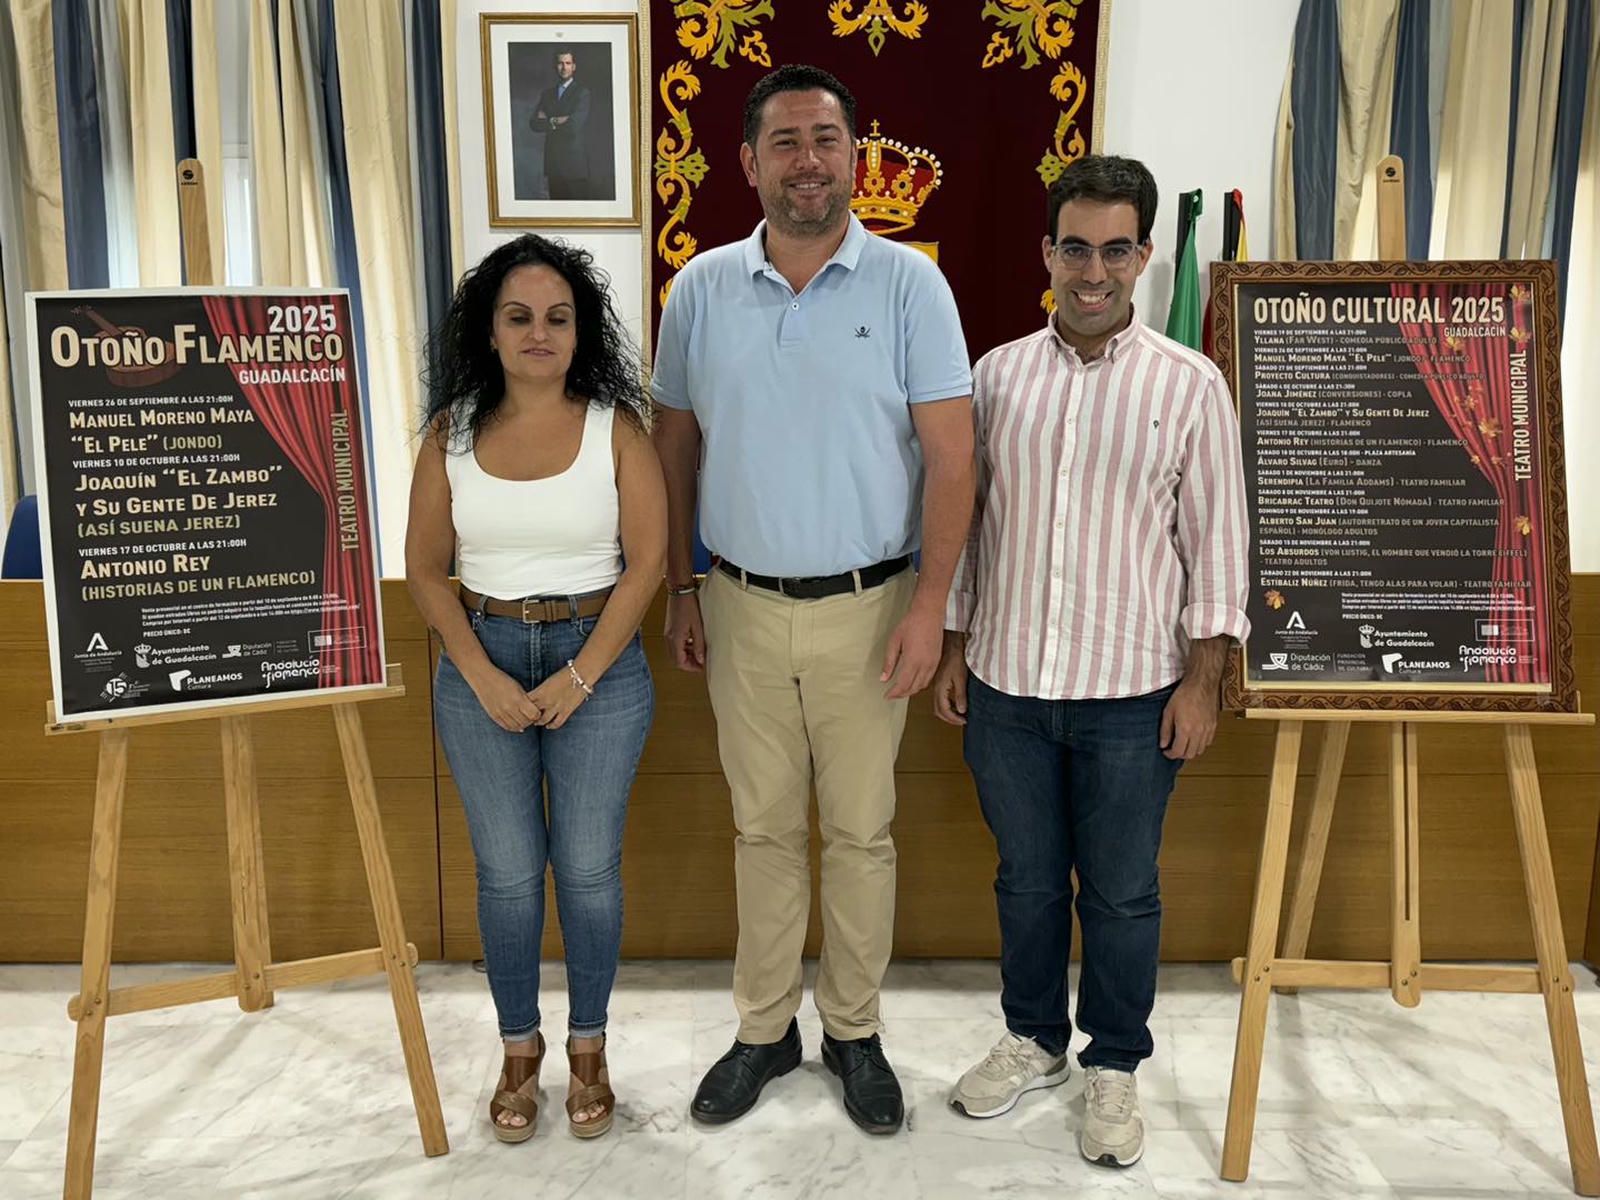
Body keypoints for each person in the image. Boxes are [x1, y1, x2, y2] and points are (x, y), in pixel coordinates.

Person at [652, 64, 975, 1135]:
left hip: (871, 609)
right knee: (760, 830)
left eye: (826, 140)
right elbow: (674, 444)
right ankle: (762, 1032)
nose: (807, 161)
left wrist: (933, 604)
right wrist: (681, 586)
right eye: (784, 142)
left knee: (861, 833)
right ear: (746, 163)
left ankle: (853, 1031)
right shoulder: (697, 290)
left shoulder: (909, 287)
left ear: (854, 156)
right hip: (738, 604)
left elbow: (951, 457)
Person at [934, 155, 1249, 1168]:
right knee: (1025, 882)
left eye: (1117, 249)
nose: (1094, 270)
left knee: (1119, 891)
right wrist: (950, 642)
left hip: (1133, 695)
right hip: (1007, 685)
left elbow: (1217, 543)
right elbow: (966, 528)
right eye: (1076, 247)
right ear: (1048, 252)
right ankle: (1033, 1039)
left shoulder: (1190, 386)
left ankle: (1113, 1063)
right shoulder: (994, 376)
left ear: (1146, 256)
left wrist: (1203, 680)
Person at [405, 233, 665, 1143]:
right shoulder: (452, 434)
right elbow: (426, 571)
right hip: (480, 661)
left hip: (601, 663)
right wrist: (479, 675)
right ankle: (522, 1050)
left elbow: (649, 564)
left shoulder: (616, 428)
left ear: (580, 330)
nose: (539, 333)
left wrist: (582, 673)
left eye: (558, 317)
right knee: (510, 877)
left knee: (588, 873)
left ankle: (589, 1047)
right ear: (489, 331)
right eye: (519, 316)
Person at [531, 51, 591, 200]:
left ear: (574, 66)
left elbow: (573, 126)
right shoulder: (547, 94)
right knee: (558, 216)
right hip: (553, 165)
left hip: (574, 168)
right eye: (560, 63)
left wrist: (548, 120)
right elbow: (534, 123)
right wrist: (556, 120)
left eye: (568, 63)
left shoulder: (582, 93)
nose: (564, 67)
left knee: (578, 216)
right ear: (555, 67)